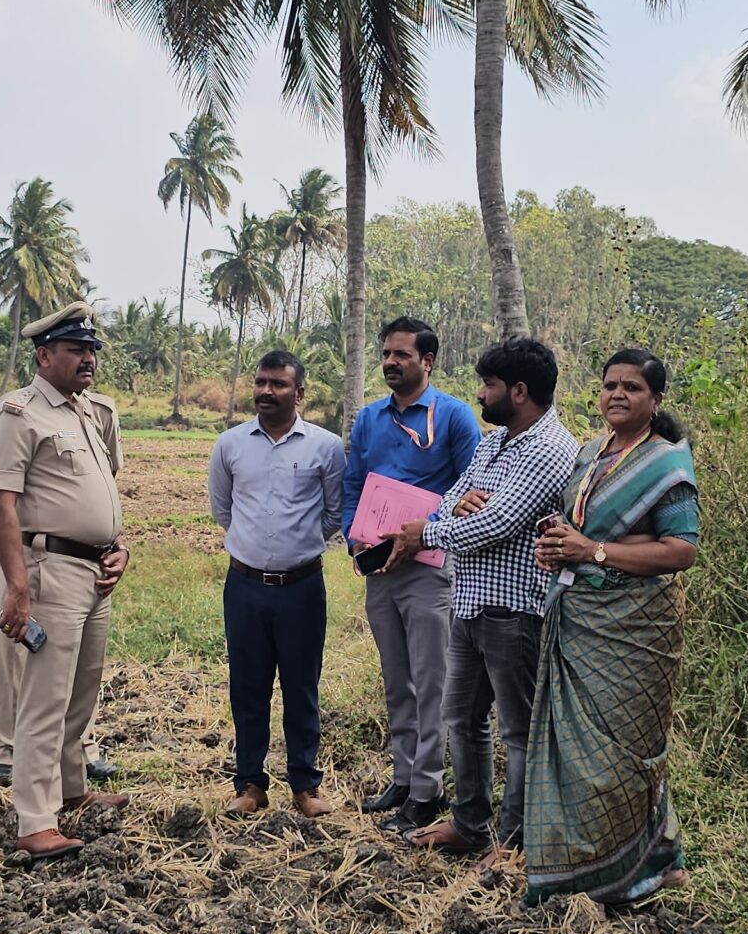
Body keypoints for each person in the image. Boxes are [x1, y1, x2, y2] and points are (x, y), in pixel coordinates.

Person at [385, 337, 581, 854]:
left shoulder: (551, 449)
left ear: (518, 391)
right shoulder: (494, 443)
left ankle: (514, 842)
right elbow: (454, 498)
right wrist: (455, 512)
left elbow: (497, 522)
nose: (480, 393)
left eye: (489, 385)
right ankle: (469, 825)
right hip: (470, 601)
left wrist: (426, 533)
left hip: (515, 611)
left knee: (519, 731)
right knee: (462, 720)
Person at [525, 349, 701, 905]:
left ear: (655, 400)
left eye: (632, 387)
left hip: (637, 628)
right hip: (580, 617)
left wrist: (593, 551)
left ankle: (639, 869)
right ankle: (586, 869)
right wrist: (558, 544)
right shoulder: (588, 453)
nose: (617, 395)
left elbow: (681, 550)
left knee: (626, 753)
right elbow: (580, 530)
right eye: (609, 386)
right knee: (575, 753)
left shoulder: (666, 464)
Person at [0, 300, 130, 861]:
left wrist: (117, 547)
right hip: (50, 570)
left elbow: (100, 492)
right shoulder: (20, 413)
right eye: (75, 350)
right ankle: (35, 819)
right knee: (45, 696)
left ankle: (72, 790)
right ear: (44, 356)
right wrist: (17, 586)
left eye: (91, 349)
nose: (88, 359)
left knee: (80, 691)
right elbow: (3, 503)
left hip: (94, 571)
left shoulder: (87, 412)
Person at [341, 317, 482, 820]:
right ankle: (402, 779)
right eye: (385, 354)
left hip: (429, 568)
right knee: (396, 677)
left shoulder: (454, 417)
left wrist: (422, 528)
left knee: (430, 680)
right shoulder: (369, 419)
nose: (390, 363)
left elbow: (472, 490)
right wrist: (354, 537)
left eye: (401, 355)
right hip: (380, 569)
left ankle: (427, 791)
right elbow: (353, 485)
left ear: (427, 361)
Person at [208, 351, 347, 816]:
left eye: (279, 384)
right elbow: (222, 510)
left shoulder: (325, 447)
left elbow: (333, 513)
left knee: (301, 686)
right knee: (247, 687)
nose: (266, 391)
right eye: (261, 382)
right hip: (244, 585)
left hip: (302, 587)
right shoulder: (230, 444)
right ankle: (250, 784)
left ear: (299, 393)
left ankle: (305, 786)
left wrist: (296, 544)